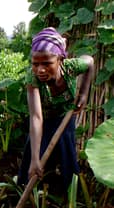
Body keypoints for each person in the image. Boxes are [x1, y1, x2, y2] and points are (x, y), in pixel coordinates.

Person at [18, 27, 94, 192]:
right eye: (35, 64)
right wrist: (35, 159)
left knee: (66, 151)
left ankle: (69, 193)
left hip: (65, 116)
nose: (40, 69)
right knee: (34, 154)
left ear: (60, 59)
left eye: (47, 63)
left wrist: (83, 94)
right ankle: (26, 190)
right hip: (43, 118)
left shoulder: (71, 67)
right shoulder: (33, 79)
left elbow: (90, 62)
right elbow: (36, 117)